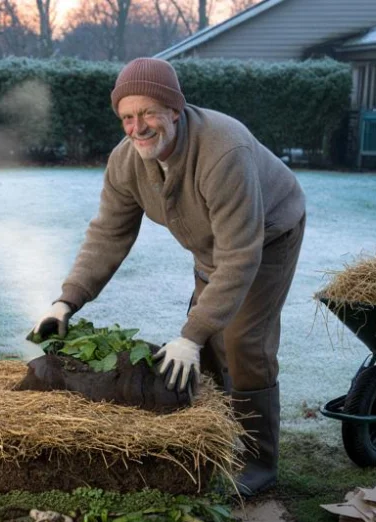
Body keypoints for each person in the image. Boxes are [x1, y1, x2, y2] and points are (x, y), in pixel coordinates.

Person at [30, 57, 306, 496]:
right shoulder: (126, 162)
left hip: (267, 237)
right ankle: (215, 443)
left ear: (174, 110)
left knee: (241, 341)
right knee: (210, 349)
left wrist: (190, 333)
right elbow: (108, 233)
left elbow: (238, 255)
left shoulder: (223, 152)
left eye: (148, 114)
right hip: (212, 245)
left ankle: (258, 464)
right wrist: (67, 300)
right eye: (127, 117)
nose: (137, 127)